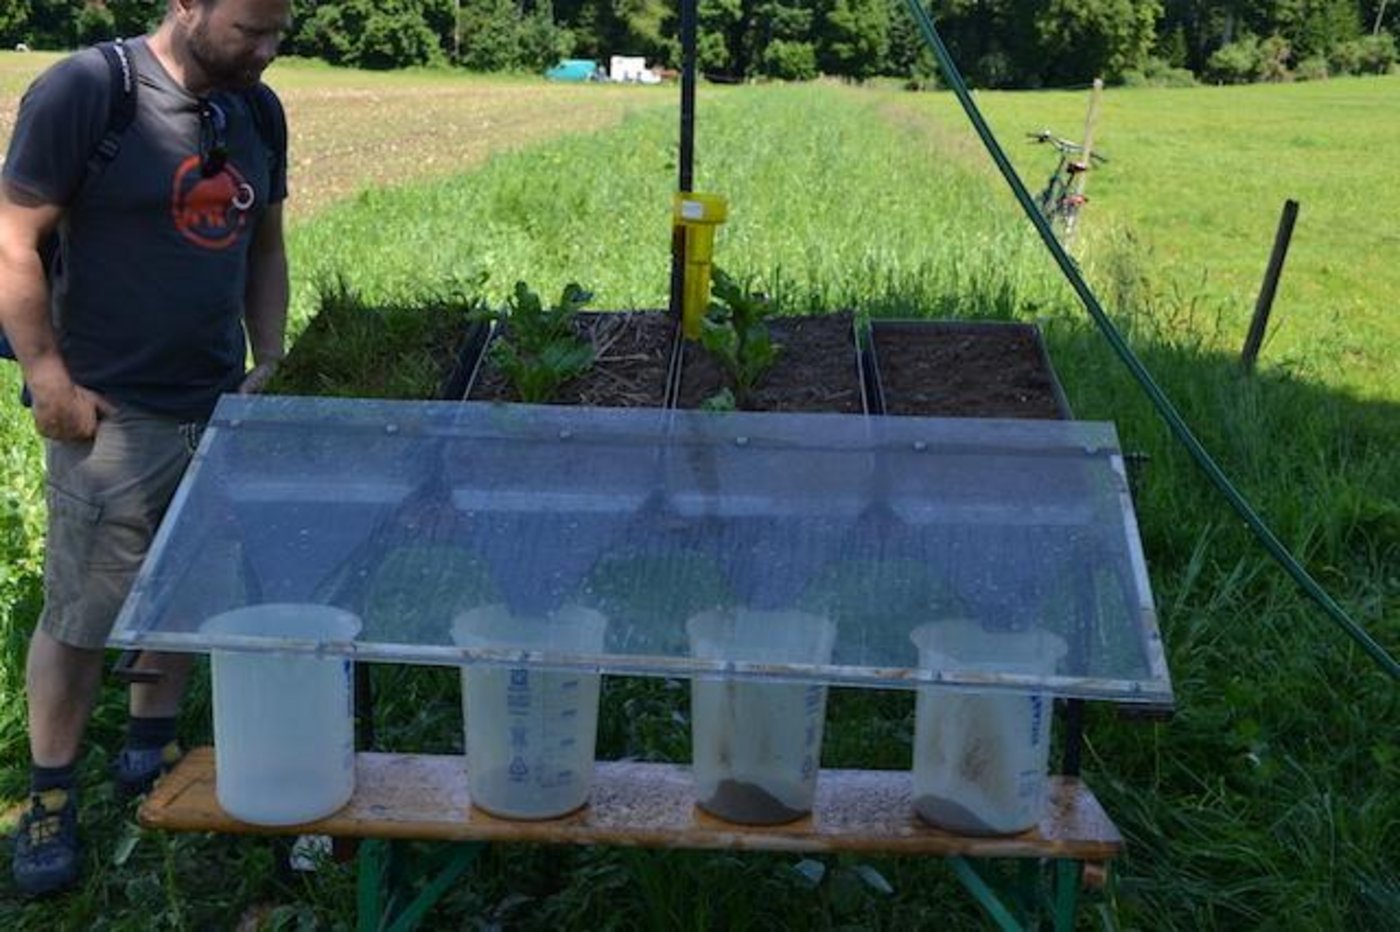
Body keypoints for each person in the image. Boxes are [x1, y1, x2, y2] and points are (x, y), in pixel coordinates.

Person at [0, 0, 292, 897]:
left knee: (190, 590)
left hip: (217, 405)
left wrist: (270, 359)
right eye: (249, 30)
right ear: (188, 6)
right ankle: (51, 792)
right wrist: (48, 376)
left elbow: (264, 246)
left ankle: (149, 746)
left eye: (280, 30)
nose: (267, 49)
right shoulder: (91, 91)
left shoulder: (255, 109)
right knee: (82, 613)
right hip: (111, 414)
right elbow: (13, 238)